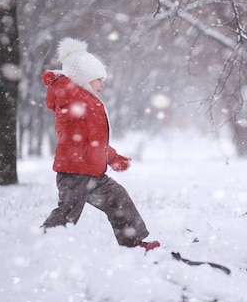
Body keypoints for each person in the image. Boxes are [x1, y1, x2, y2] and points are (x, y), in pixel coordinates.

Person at [41, 37, 159, 251]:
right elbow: (66, 91)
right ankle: (44, 242)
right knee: (67, 213)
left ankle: (133, 243)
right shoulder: (73, 99)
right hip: (74, 174)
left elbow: (95, 141)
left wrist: (112, 157)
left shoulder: (90, 102)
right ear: (82, 79)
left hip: (93, 174)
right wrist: (59, 79)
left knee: (119, 200)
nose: (102, 84)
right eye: (98, 79)